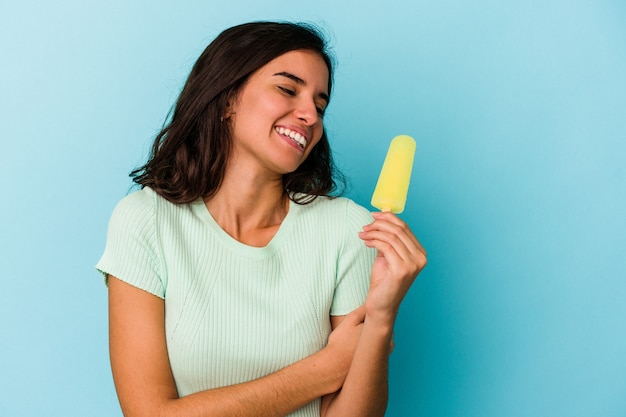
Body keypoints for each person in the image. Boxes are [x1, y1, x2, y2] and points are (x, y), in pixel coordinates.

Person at [97, 21, 427, 417]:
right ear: (227, 98)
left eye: (320, 106)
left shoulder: (348, 229)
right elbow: (147, 414)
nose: (309, 115)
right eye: (288, 89)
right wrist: (326, 368)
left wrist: (380, 320)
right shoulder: (146, 221)